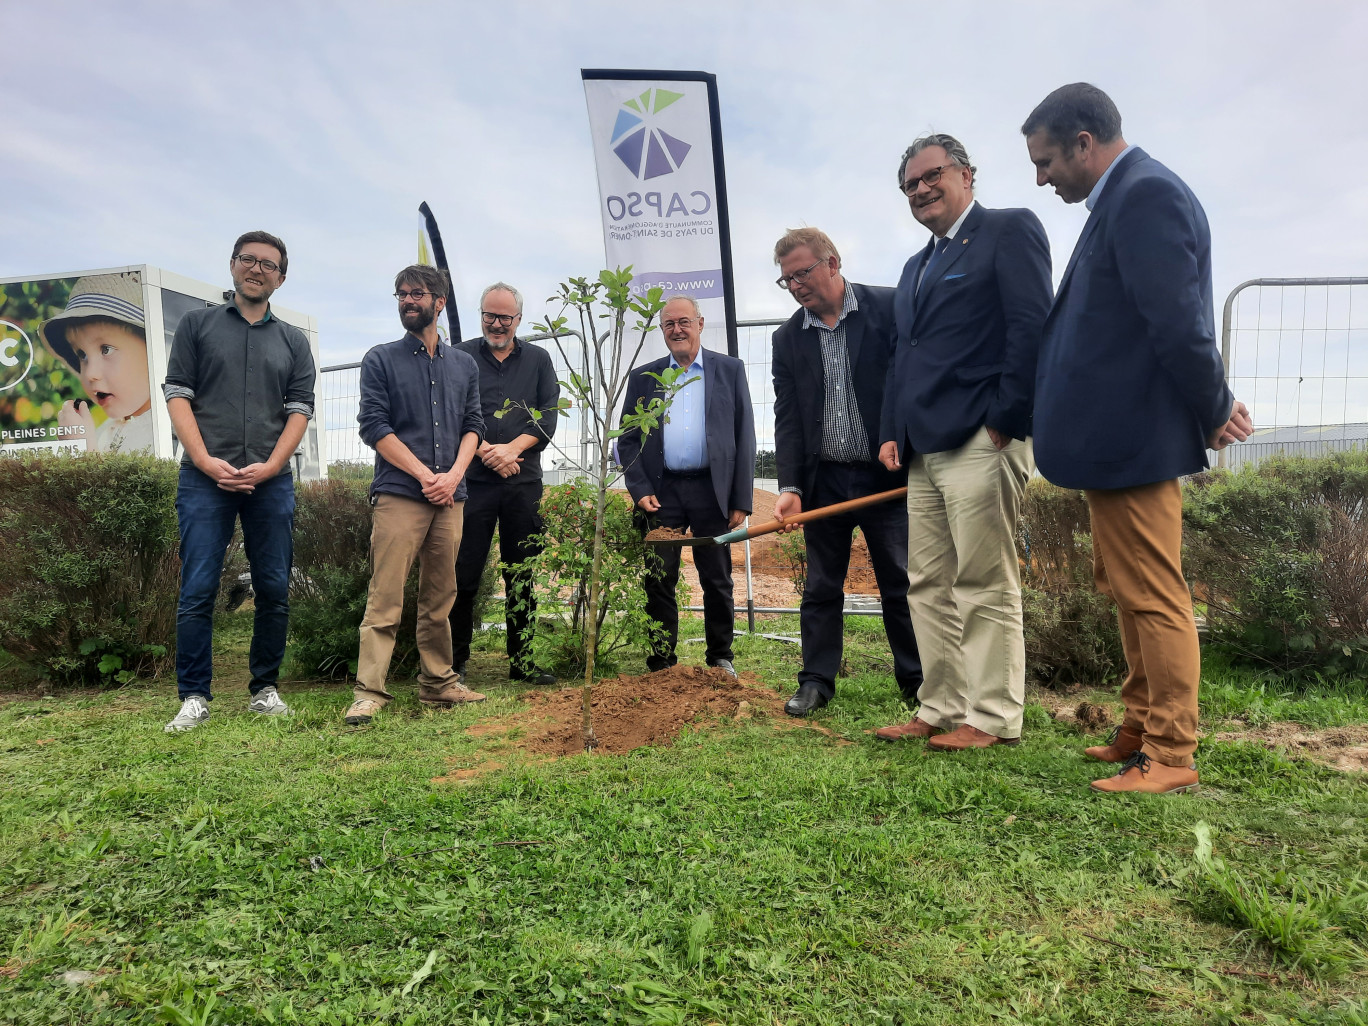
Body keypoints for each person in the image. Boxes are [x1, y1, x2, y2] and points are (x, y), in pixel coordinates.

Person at [1022, 83, 1251, 793]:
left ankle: (1172, 752)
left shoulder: (1146, 195)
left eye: (1047, 160)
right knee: (1128, 589)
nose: (1041, 177)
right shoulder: (1120, 199)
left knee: (1153, 592)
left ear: (1085, 145)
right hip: (1114, 442)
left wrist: (1213, 406)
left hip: (1136, 440)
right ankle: (1140, 722)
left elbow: (1178, 322)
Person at [876, 136, 1052, 751]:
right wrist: (893, 431)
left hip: (983, 437)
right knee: (926, 581)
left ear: (966, 174)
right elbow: (905, 355)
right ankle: (940, 704)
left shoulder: (1009, 231)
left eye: (931, 176)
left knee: (982, 580)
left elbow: (1031, 324)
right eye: (909, 185)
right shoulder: (915, 266)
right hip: (924, 447)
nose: (920, 190)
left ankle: (993, 716)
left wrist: (1006, 416)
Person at [161, 231, 316, 732]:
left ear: (282, 278)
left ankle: (264, 688)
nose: (257, 269)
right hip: (205, 479)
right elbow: (178, 395)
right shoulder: (196, 325)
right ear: (232, 266)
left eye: (268, 264)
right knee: (199, 587)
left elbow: (299, 410)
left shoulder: (293, 341)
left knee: (273, 586)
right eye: (248, 259)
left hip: (271, 481)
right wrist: (204, 460)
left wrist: (272, 465)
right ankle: (194, 696)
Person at [771, 227, 923, 717]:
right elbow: (789, 418)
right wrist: (791, 486)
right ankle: (816, 681)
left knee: (900, 580)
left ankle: (918, 680)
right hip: (824, 483)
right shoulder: (788, 338)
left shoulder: (889, 308)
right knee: (820, 585)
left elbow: (911, 380)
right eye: (786, 279)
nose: (795, 286)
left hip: (887, 478)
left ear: (832, 263)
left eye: (802, 273)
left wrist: (900, 433)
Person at [344, 265, 487, 725]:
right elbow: (374, 426)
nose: (408, 300)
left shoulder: (464, 364)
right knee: (385, 597)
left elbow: (474, 425)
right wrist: (429, 475)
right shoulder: (380, 359)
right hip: (401, 495)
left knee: (441, 596)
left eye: (417, 294)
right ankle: (369, 692)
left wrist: (454, 475)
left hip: (451, 498)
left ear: (438, 303)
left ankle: (438, 684)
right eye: (401, 294)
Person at [617, 295, 755, 679]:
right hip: (662, 493)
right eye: (669, 325)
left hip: (713, 491)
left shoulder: (729, 370)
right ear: (662, 331)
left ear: (700, 322)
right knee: (660, 577)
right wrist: (638, 487)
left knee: (717, 576)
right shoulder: (645, 377)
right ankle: (662, 660)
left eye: (684, 322)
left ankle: (720, 656)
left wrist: (740, 497)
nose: (677, 330)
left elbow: (745, 435)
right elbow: (627, 438)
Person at [451, 283, 561, 686]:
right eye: (489, 316)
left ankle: (523, 661)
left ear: (518, 319)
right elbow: (454, 413)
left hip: (522, 481)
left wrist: (512, 449)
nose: (496, 324)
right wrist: (484, 451)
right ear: (481, 314)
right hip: (472, 480)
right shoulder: (459, 356)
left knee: (522, 572)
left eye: (505, 317)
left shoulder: (539, 359)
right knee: (464, 573)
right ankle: (454, 661)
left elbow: (548, 415)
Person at [41, 271, 155, 453]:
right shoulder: (104, 431)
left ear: (153, 350)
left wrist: (81, 451)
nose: (90, 374)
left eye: (106, 349)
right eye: (81, 355)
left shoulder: (168, 433)